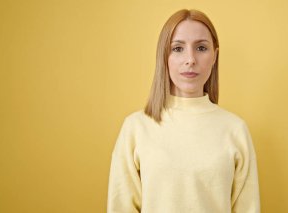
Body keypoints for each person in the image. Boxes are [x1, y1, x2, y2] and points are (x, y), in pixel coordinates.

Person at [107, 9, 260, 213]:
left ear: (214, 56)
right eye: (178, 48)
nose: (190, 59)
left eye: (201, 48)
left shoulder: (235, 129)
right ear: (164, 56)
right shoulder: (136, 128)